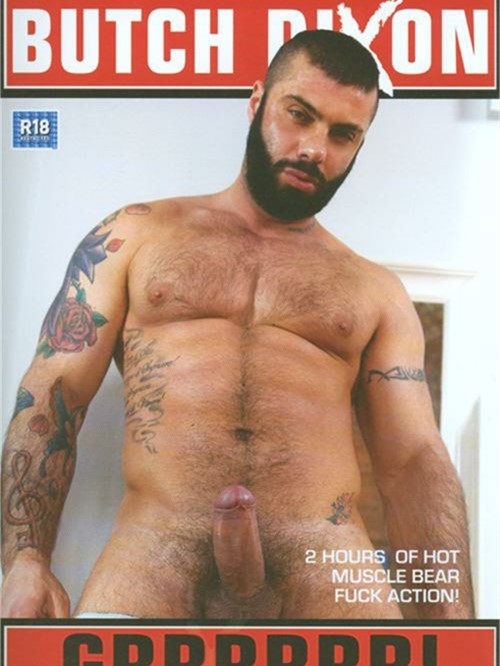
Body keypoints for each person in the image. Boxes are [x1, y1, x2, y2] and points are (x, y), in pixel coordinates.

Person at [1, 30, 474, 620]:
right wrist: (25, 558)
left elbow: (413, 464)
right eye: (299, 115)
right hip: (153, 563)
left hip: (327, 578)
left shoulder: (376, 291)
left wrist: (455, 626)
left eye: (343, 134)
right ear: (257, 102)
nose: (314, 148)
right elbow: (56, 389)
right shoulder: (134, 235)